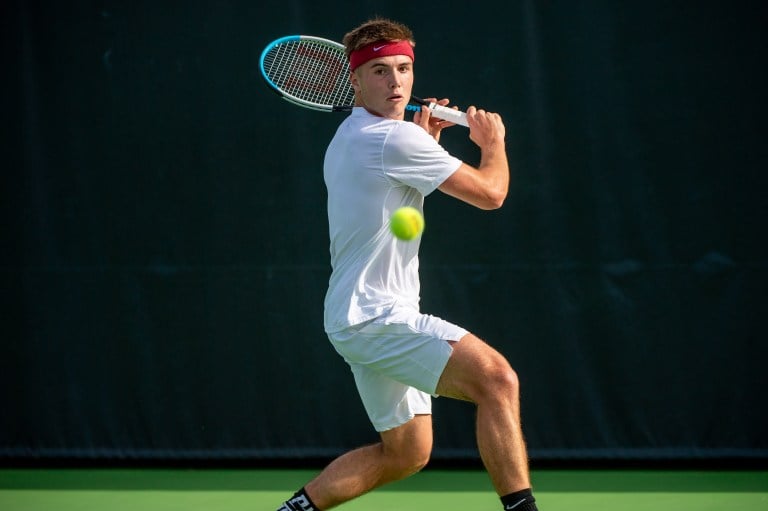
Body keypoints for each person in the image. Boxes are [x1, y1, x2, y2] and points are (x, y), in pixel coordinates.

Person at [277, 18, 539, 511]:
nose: (395, 82)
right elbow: (492, 194)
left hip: (354, 318)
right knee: (497, 380)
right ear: (354, 80)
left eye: (403, 68)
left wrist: (428, 144)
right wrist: (493, 142)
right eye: (379, 71)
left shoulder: (355, 136)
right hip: (377, 315)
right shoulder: (391, 140)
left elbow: (392, 196)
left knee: (406, 453)